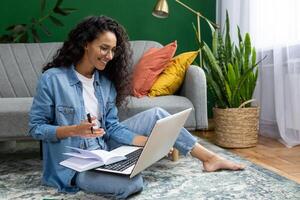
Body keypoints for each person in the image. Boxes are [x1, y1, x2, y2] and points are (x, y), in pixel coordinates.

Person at [29, 15, 244, 199]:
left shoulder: (104, 83)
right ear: (86, 43)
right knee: (132, 184)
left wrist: (148, 143)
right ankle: (117, 171)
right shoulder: (53, 79)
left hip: (104, 150)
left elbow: (112, 128)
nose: (109, 56)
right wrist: (74, 130)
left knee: (158, 115)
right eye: (104, 48)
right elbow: (36, 128)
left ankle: (210, 158)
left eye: (113, 50)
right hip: (75, 166)